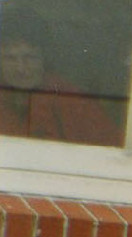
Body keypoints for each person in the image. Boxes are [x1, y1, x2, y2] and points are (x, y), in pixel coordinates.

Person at [0, 14, 124, 146]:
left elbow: (113, 151)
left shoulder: (72, 100)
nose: (21, 69)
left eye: (30, 57)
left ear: (44, 58)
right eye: (10, 59)